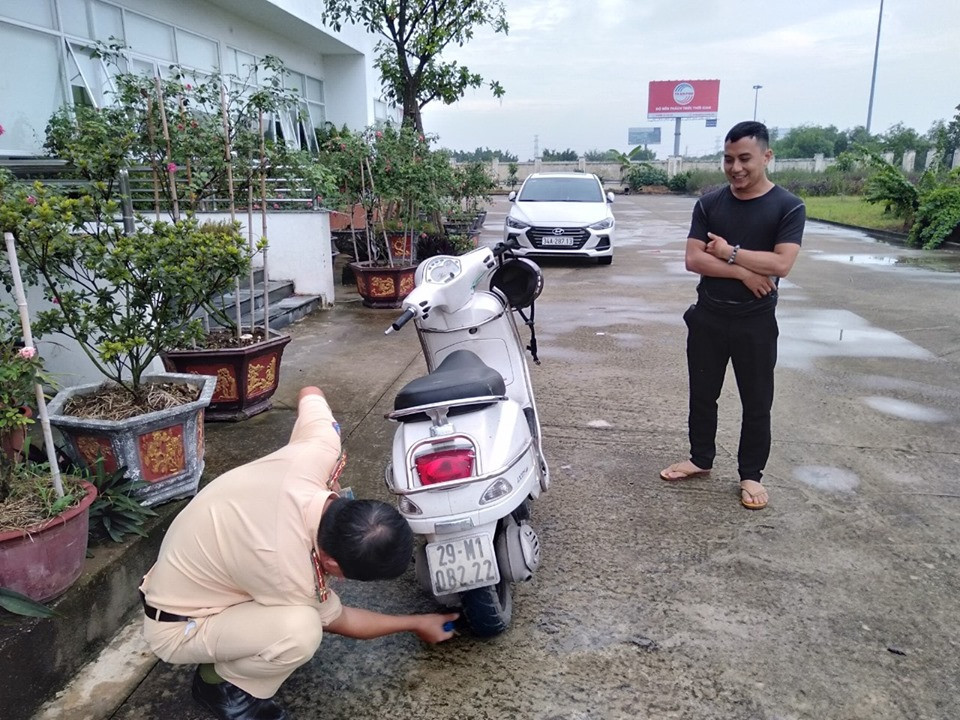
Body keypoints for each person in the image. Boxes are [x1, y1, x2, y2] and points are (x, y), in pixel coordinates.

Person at [139, 386, 458, 720]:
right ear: (331, 563)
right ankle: (220, 686)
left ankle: (234, 643)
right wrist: (416, 623)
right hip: (177, 625)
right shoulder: (286, 570)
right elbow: (344, 621)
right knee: (301, 631)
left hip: (196, 574)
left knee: (289, 613)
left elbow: (311, 391)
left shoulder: (319, 452)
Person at [660, 121, 805, 510]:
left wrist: (728, 252)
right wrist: (743, 272)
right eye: (728, 159)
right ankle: (700, 458)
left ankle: (751, 475)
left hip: (755, 322)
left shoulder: (788, 206)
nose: (735, 168)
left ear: (766, 156)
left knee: (757, 402)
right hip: (708, 317)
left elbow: (782, 263)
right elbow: (694, 259)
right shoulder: (709, 204)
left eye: (744, 159)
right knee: (702, 394)